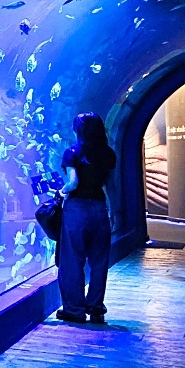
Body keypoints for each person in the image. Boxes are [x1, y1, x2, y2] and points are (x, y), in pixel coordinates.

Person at [55, 112, 117, 324]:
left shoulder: (72, 153)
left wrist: (61, 191)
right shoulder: (108, 154)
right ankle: (96, 309)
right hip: (99, 209)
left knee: (72, 260)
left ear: (78, 130)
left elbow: (73, 183)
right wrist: (115, 212)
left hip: (77, 210)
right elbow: (111, 186)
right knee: (99, 262)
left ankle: (75, 310)